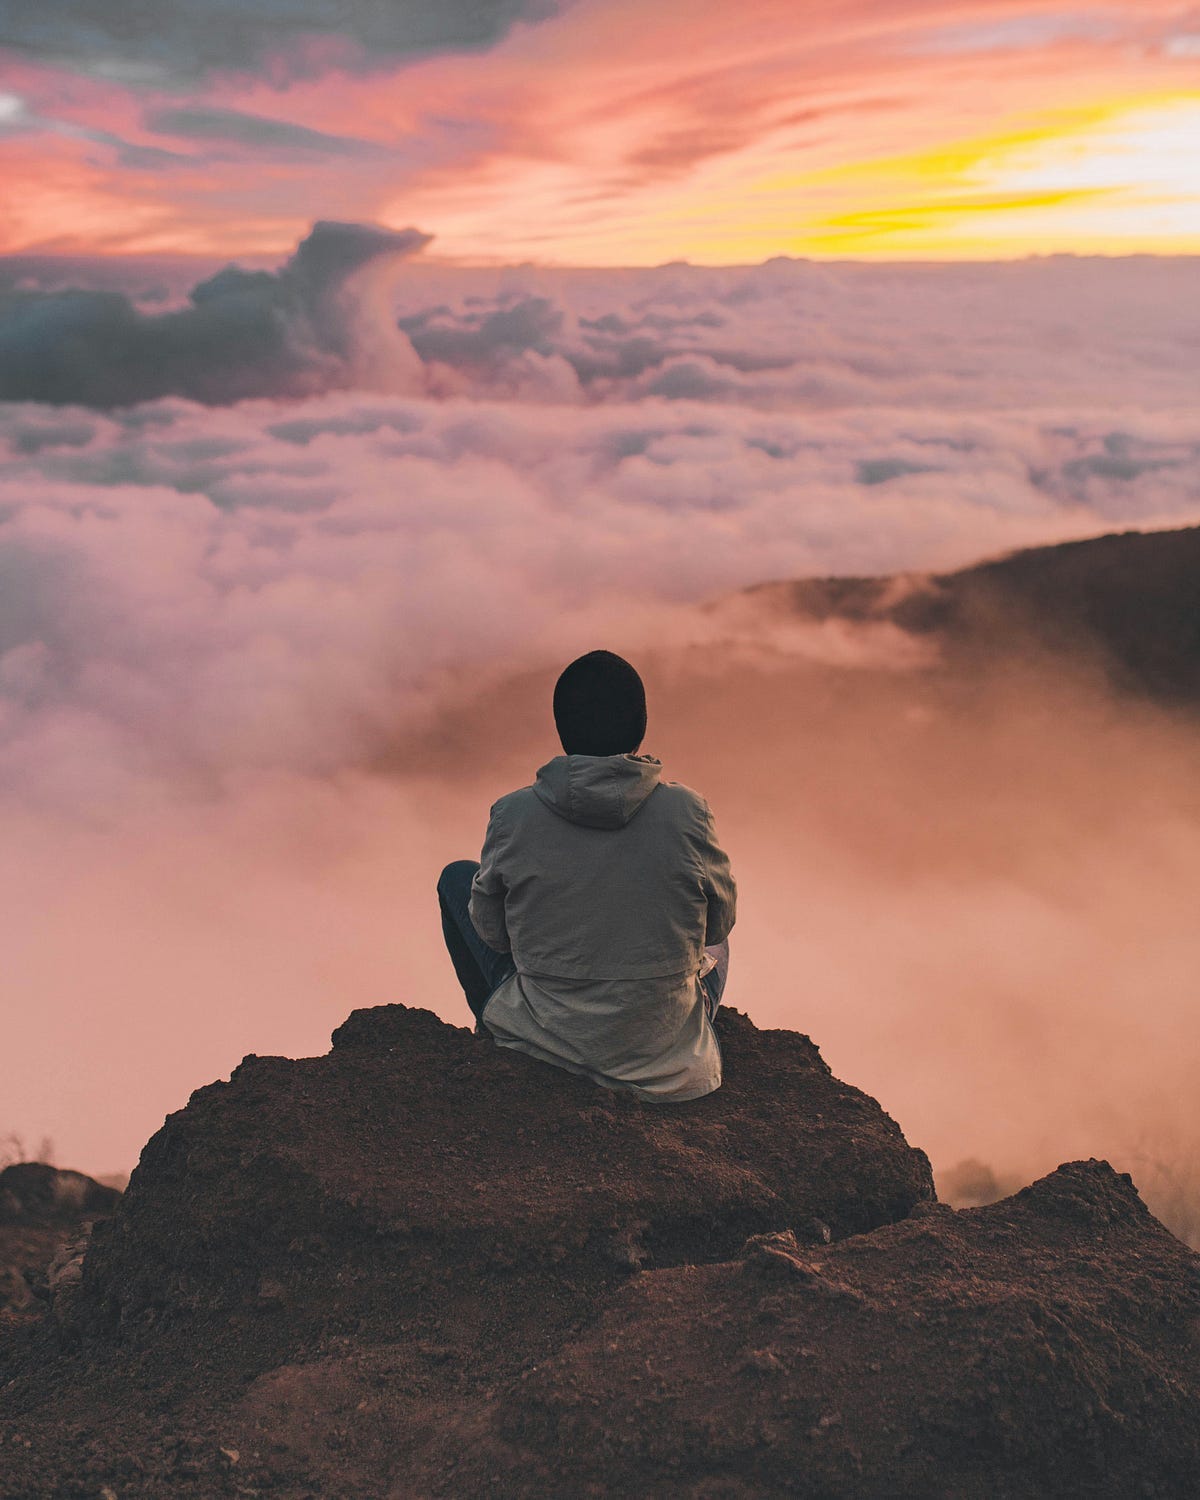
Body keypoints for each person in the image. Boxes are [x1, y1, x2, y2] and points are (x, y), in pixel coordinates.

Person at [437, 650, 736, 1101]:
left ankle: (496, 1031)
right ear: (640, 729)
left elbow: (494, 936)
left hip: (544, 1038)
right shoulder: (688, 811)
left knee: (457, 878)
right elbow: (717, 925)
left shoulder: (513, 814)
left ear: (563, 731)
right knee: (718, 945)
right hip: (665, 1059)